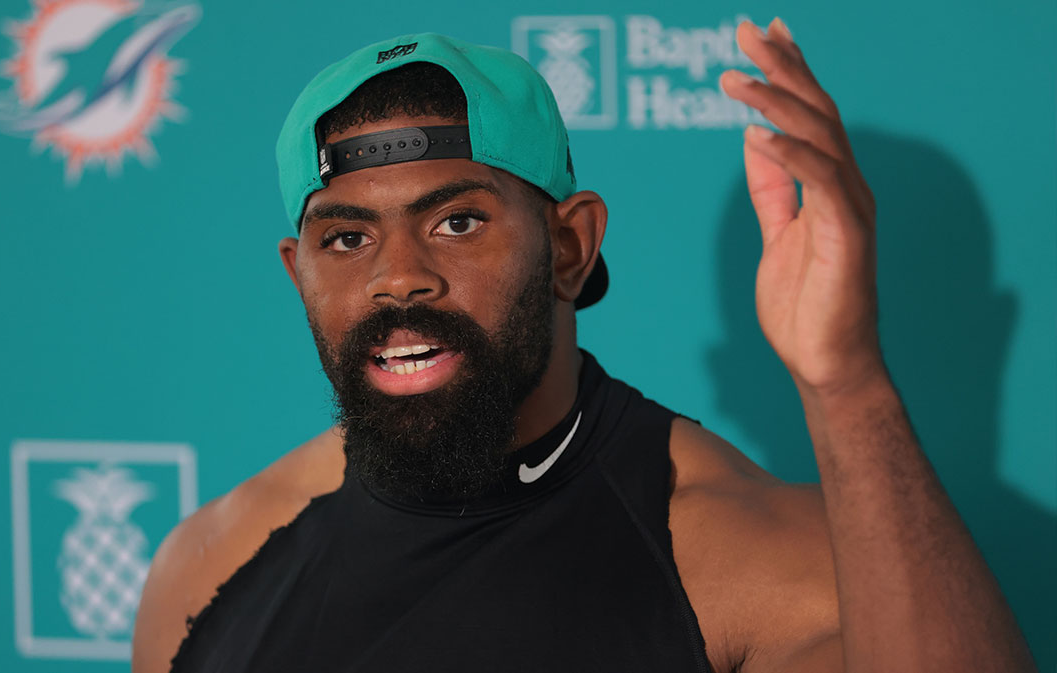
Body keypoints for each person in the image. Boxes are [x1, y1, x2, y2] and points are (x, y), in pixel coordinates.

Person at [132, 20, 1036, 672]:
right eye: (346, 238)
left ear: (569, 246)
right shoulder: (208, 567)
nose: (397, 278)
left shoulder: (745, 561)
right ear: (299, 272)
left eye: (456, 221)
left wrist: (847, 383)